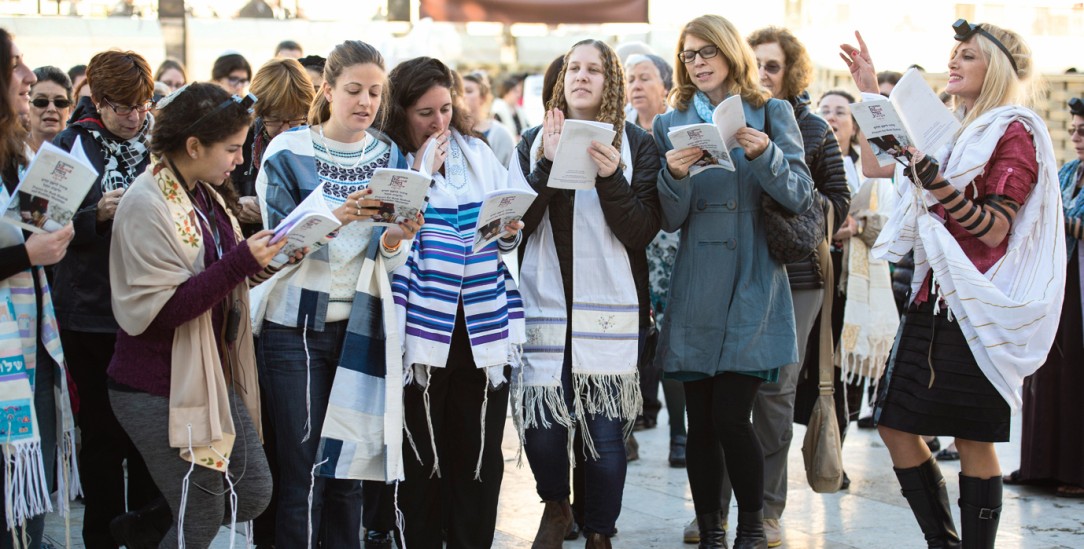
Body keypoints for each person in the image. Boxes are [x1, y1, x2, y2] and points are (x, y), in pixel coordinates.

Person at [840, 21, 1064, 548]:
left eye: (968, 56)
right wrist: (872, 93)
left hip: (979, 304)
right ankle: (942, 542)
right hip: (929, 298)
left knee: (972, 438)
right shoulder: (953, 129)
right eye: (953, 54)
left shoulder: (1016, 130)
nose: (953, 63)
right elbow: (876, 165)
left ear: (997, 69)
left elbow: (992, 226)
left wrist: (930, 178)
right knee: (895, 425)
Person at [684, 26, 848, 548]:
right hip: (714, 281)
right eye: (758, 63)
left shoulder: (802, 123)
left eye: (773, 65)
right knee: (713, 415)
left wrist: (768, 165)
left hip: (789, 274)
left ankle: (765, 513)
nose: (763, 72)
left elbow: (826, 198)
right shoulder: (692, 116)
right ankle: (715, 515)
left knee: (770, 398)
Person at [655, 15, 813, 549]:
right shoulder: (670, 121)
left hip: (753, 277)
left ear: (728, 51)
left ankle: (751, 525)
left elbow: (799, 195)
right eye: (688, 55)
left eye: (705, 52)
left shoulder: (773, 110)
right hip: (697, 281)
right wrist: (673, 176)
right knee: (700, 421)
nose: (696, 63)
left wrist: (764, 153)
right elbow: (670, 219)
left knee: (732, 415)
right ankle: (713, 531)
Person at [253, 40, 419, 549]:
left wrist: (396, 238)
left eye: (374, 92)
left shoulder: (389, 154)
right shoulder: (288, 151)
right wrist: (334, 216)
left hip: (362, 323)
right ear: (327, 91)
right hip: (294, 328)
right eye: (353, 90)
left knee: (349, 471)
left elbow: (387, 258)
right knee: (302, 470)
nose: (365, 102)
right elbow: (274, 249)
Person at [107, 82, 280, 547]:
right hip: (155, 382)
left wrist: (266, 262)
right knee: (202, 509)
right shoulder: (147, 201)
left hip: (206, 373)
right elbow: (168, 309)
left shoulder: (201, 191)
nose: (240, 161)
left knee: (252, 490)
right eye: (232, 149)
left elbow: (220, 274)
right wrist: (242, 262)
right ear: (193, 146)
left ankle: (143, 529)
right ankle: (151, 529)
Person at [515, 38, 661, 549]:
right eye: (574, 68)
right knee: (545, 431)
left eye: (594, 69)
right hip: (545, 308)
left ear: (610, 81)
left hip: (610, 313)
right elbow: (513, 228)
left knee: (602, 438)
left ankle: (599, 531)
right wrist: (548, 167)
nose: (581, 76)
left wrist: (609, 177)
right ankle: (556, 508)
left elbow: (641, 230)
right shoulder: (533, 140)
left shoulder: (638, 146)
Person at [382, 56, 526, 549]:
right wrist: (421, 173)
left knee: (478, 457)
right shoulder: (390, 157)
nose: (439, 122)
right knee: (422, 459)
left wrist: (507, 232)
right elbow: (390, 250)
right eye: (425, 112)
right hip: (421, 335)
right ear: (400, 111)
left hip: (481, 325)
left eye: (445, 108)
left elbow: (504, 245)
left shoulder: (479, 153)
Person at [50, 49, 161, 548]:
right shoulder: (69, 145)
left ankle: (141, 531)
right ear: (97, 98)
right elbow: (39, 224)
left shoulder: (163, 141)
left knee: (146, 433)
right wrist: (92, 216)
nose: (134, 116)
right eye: (122, 106)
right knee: (100, 433)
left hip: (149, 305)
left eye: (142, 104)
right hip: (89, 309)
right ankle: (101, 535)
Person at [0, 28, 79, 549]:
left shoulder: (18, 156)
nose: (28, 76)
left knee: (28, 493)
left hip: (31, 345)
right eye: (15, 65)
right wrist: (26, 254)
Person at [1002, 96, 1084, 498]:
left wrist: (1064, 224)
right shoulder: (1068, 171)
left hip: (1079, 290)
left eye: (1083, 130)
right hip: (1056, 284)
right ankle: (1037, 466)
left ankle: (1075, 470)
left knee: (1076, 377)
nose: (1076, 137)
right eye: (1073, 129)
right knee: (1044, 372)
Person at [231, 57, 314, 237]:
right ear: (260, 112)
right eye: (275, 119)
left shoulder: (316, 144)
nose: (284, 130)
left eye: (294, 120)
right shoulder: (239, 140)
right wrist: (233, 206)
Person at [462, 70, 515, 166]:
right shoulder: (451, 132)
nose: (463, 96)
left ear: (483, 97)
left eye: (469, 91)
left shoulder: (501, 134)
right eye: (459, 92)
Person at [26, 66, 72, 153]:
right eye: (41, 102)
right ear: (27, 106)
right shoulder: (9, 155)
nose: (51, 109)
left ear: (70, 110)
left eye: (60, 102)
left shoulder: (83, 153)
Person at [624, 54, 671, 134]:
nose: (636, 86)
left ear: (665, 87)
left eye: (644, 79)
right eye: (631, 80)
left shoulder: (679, 123)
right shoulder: (620, 124)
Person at [491, 74, 527, 140]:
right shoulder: (497, 110)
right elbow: (497, 134)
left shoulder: (519, 110)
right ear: (506, 92)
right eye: (515, 91)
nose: (519, 95)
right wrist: (514, 138)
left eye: (520, 92)